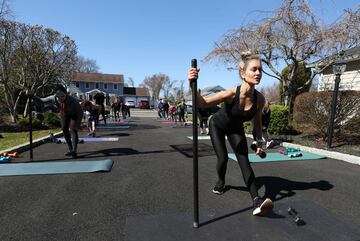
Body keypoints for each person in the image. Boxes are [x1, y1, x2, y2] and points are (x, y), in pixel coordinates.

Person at [187, 51, 273, 216]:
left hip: (235, 129)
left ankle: (256, 200)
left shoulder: (260, 99)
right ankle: (221, 182)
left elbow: (257, 126)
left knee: (244, 161)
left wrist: (259, 143)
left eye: (260, 70)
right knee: (223, 158)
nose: (258, 73)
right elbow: (202, 103)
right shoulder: (231, 93)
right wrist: (193, 83)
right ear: (243, 73)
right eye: (254, 69)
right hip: (217, 125)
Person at [55, 85, 83, 158]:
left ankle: (74, 150)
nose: (60, 98)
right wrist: (32, 96)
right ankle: (71, 149)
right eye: (58, 96)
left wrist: (78, 123)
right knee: (64, 129)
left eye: (62, 96)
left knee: (73, 129)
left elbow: (80, 113)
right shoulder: (54, 98)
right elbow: (43, 100)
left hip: (75, 114)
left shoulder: (73, 101)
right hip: (64, 113)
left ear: (66, 94)